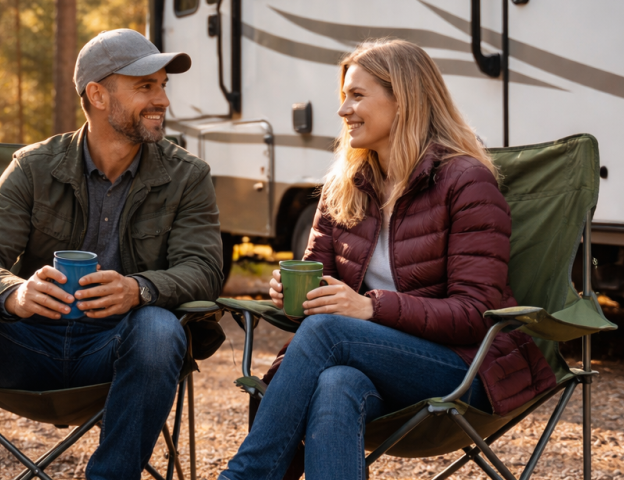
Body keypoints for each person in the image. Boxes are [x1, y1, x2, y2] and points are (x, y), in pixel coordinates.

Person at [219, 39, 557, 480]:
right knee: (335, 383)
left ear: (405, 100)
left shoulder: (466, 182)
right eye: (344, 96)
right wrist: (293, 295)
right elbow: (318, 286)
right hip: (368, 365)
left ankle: (243, 477)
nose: (343, 111)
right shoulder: (345, 185)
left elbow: (477, 313)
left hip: (462, 368)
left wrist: (370, 307)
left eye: (357, 95)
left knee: (327, 335)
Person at [0, 29, 223, 479]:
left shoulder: (188, 175)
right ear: (97, 95)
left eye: (162, 85)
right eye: (145, 87)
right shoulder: (34, 166)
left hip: (118, 348)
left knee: (159, 330)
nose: (163, 100)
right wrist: (14, 294)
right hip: (26, 343)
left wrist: (139, 289)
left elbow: (205, 268)